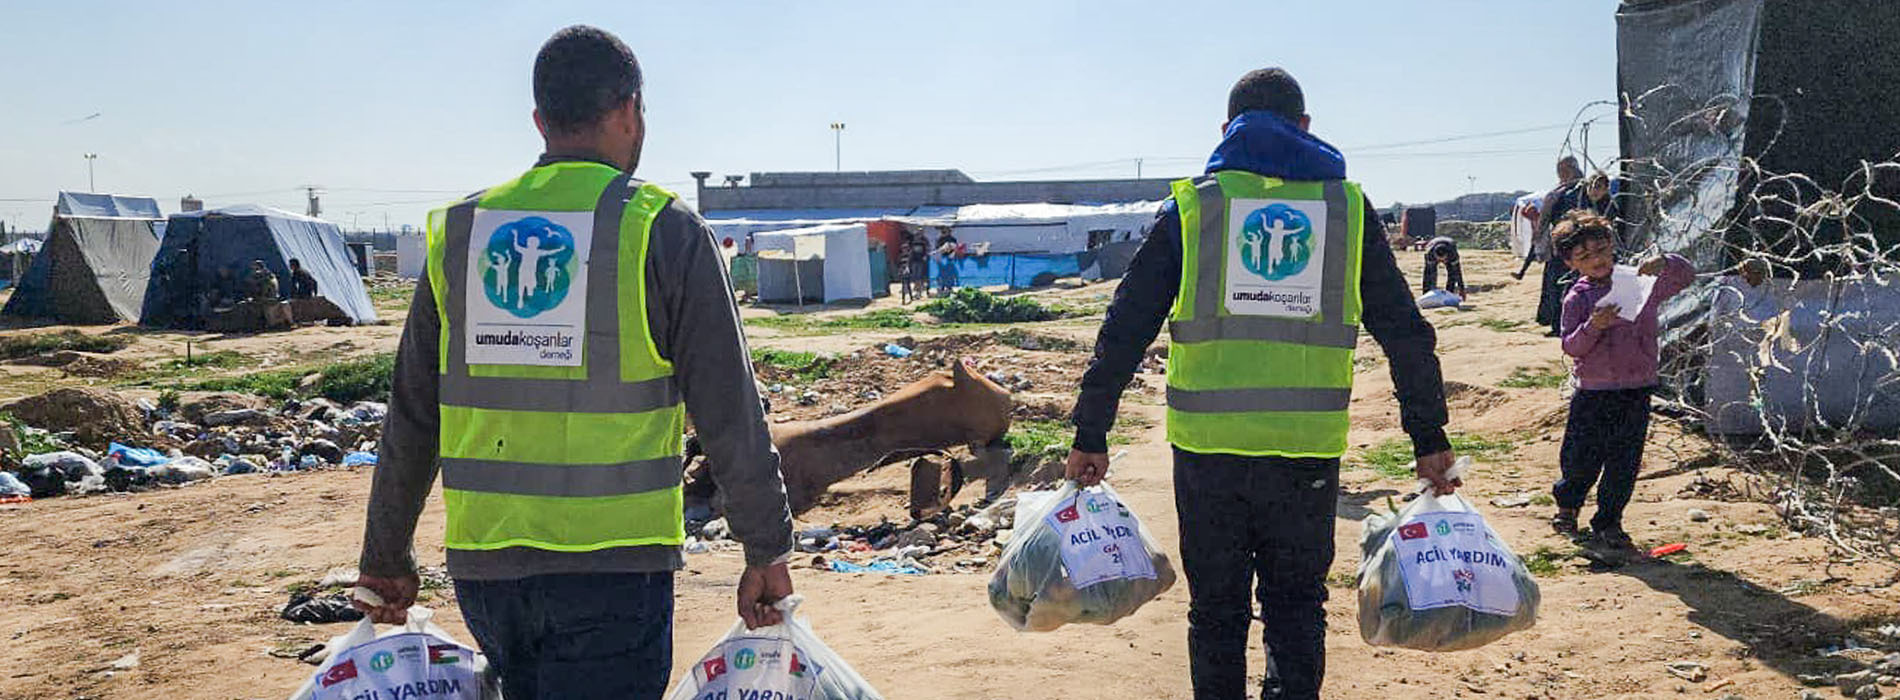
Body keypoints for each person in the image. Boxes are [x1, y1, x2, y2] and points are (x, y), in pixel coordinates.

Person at [352, 26, 795, 700]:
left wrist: (386, 558)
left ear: (540, 120)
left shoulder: (464, 233)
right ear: (628, 111)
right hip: (614, 573)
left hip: (488, 571)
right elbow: (729, 410)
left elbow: (413, 414)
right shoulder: (663, 230)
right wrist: (766, 548)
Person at [1064, 67, 1456, 700]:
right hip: (1306, 450)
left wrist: (1091, 431)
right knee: (1296, 607)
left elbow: (1125, 326)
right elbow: (1406, 331)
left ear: (1226, 129)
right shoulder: (1345, 211)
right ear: (1305, 127)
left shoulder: (1195, 208)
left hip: (1207, 451)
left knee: (1216, 613)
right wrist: (1429, 437)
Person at [1547, 210, 1693, 552]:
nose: (1596, 260)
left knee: (1624, 460)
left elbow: (1686, 276)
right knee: (1581, 456)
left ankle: (1609, 521)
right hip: (1593, 393)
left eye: (1600, 250)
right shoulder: (1578, 299)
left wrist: (1665, 262)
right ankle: (1568, 506)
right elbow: (1571, 346)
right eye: (1584, 257)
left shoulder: (1637, 284)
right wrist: (1594, 325)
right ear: (1571, 263)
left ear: (1611, 246)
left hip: (1636, 389)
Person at [1525, 156, 1586, 336]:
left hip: (1564, 248)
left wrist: (1536, 222)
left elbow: (1546, 223)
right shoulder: (1584, 190)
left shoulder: (1562, 194)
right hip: (1581, 246)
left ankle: (1560, 325)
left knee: (1559, 286)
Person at [934, 227, 960, 294]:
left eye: (946, 231)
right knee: (942, 273)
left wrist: (952, 254)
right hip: (942, 258)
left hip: (950, 258)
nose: (944, 232)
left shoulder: (953, 239)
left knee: (950, 273)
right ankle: (941, 287)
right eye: (943, 231)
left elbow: (955, 248)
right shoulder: (939, 239)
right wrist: (942, 250)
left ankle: (949, 287)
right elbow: (937, 248)